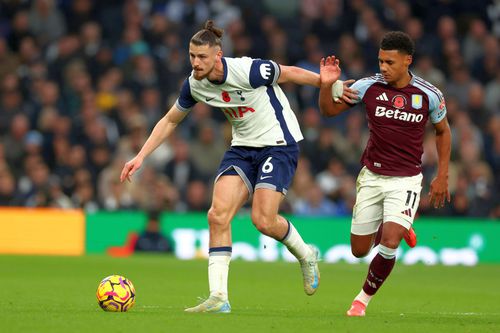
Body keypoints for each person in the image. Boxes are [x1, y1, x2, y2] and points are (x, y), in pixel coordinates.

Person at [120, 20, 341, 313]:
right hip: (242, 148)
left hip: (278, 143)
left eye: (202, 57)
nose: (196, 63)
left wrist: (325, 82)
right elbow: (171, 119)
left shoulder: (248, 70)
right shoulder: (194, 84)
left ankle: (306, 254)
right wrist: (141, 156)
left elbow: (288, 73)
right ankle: (219, 297)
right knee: (217, 215)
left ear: (218, 55)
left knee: (263, 220)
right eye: (192, 56)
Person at [318, 31, 451, 317]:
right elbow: (329, 111)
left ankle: (361, 301)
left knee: (389, 243)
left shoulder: (429, 94)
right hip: (372, 176)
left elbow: (443, 131)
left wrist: (442, 175)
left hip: (406, 179)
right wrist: (326, 86)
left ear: (407, 61)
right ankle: (398, 222)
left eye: (390, 62)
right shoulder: (368, 87)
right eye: (380, 61)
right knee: (358, 250)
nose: (383, 67)